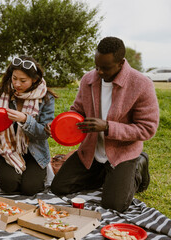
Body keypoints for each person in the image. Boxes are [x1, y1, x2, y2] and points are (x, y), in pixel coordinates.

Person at [49, 37, 159, 212]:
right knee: (59, 188)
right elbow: (77, 110)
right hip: (91, 151)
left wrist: (108, 127)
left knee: (115, 205)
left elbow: (148, 128)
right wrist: (61, 125)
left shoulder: (141, 84)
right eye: (96, 66)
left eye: (105, 68)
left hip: (122, 152)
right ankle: (107, 175)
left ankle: (138, 166)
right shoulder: (88, 79)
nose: (99, 72)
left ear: (121, 63)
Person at [0, 56, 57, 195]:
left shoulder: (46, 98)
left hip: (34, 152)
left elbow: (44, 133)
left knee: (30, 189)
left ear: (34, 79)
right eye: (14, 78)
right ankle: (16, 174)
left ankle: (33, 175)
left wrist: (26, 120)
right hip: (7, 150)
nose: (17, 84)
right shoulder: (2, 93)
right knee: (9, 185)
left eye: (23, 80)